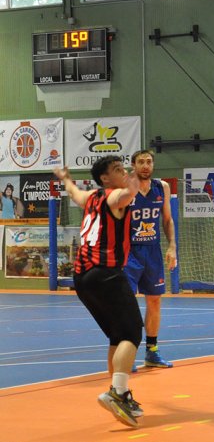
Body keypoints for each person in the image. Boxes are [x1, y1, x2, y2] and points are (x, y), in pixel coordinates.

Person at [53, 157, 144, 428]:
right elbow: (128, 193)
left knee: (117, 335)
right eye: (117, 170)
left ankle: (121, 392)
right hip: (106, 273)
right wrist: (135, 177)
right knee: (132, 333)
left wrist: (65, 178)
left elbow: (73, 191)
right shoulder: (113, 196)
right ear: (105, 179)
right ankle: (117, 392)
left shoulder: (90, 197)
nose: (122, 172)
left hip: (82, 278)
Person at [125, 150, 177, 369]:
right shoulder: (125, 187)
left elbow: (167, 220)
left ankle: (152, 352)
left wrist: (172, 246)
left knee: (154, 300)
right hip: (128, 252)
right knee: (126, 305)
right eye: (140, 162)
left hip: (153, 251)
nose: (145, 166)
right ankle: (125, 353)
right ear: (133, 165)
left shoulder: (161, 187)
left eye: (148, 162)